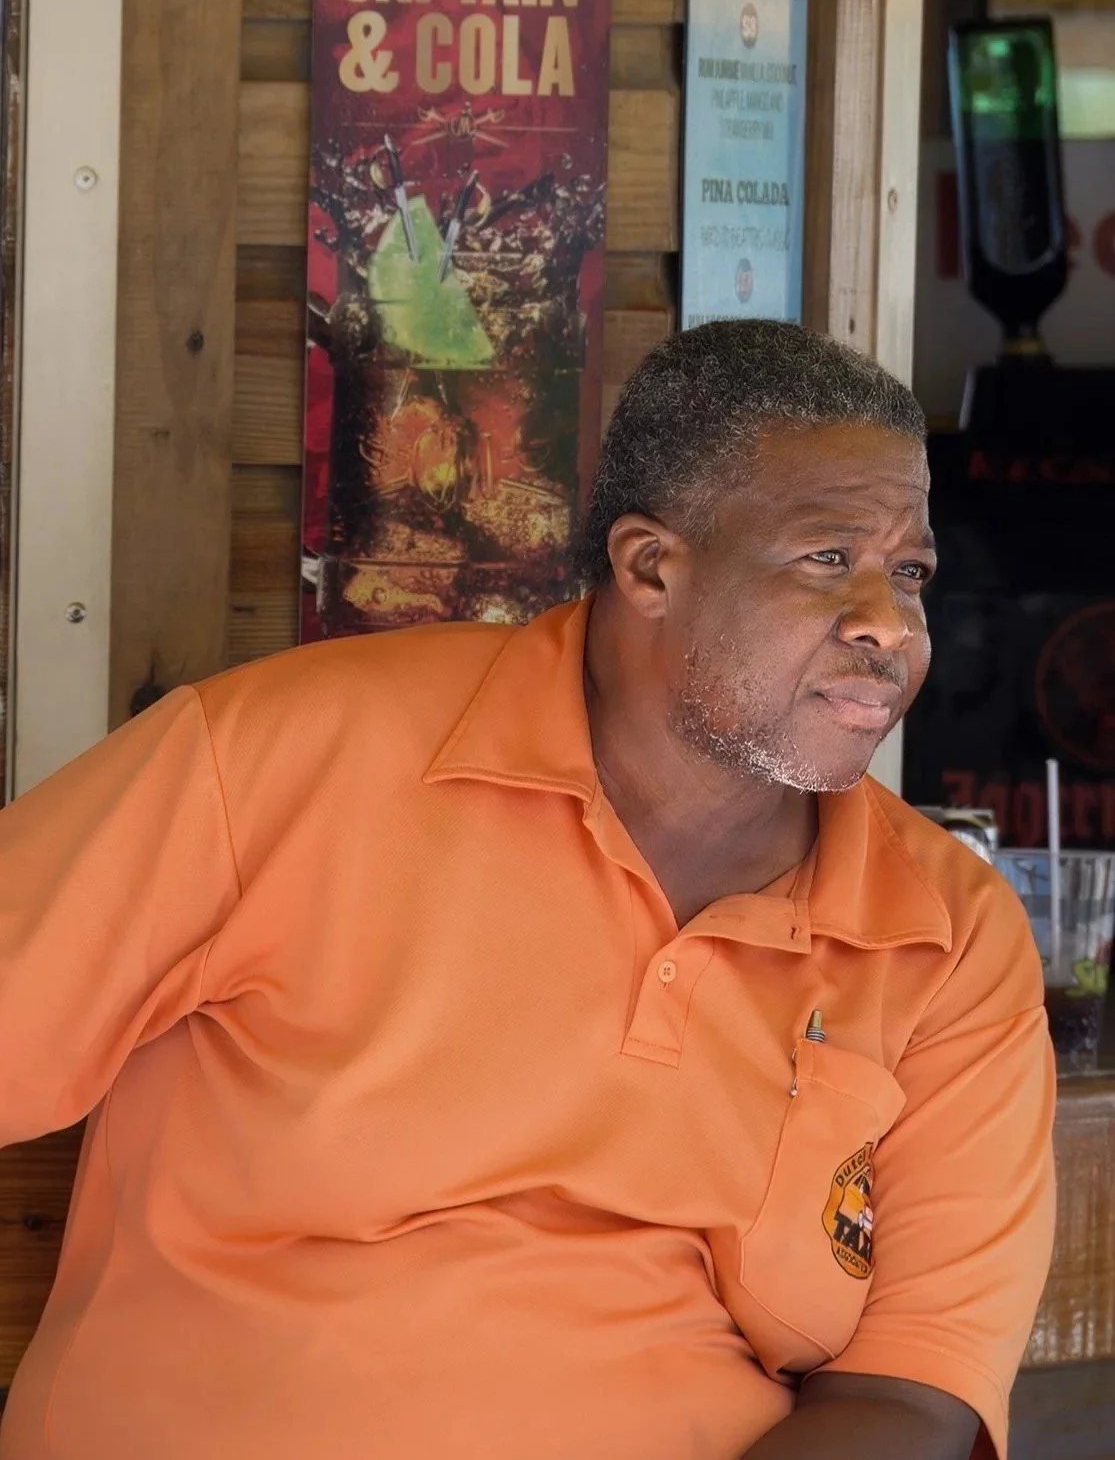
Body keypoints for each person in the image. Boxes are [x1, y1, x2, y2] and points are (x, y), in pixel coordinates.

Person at [0, 320, 1054, 1460]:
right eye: (822, 559)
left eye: (908, 573)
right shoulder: (278, 759)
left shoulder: (944, 933)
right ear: (650, 565)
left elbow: (912, 1391)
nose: (887, 626)